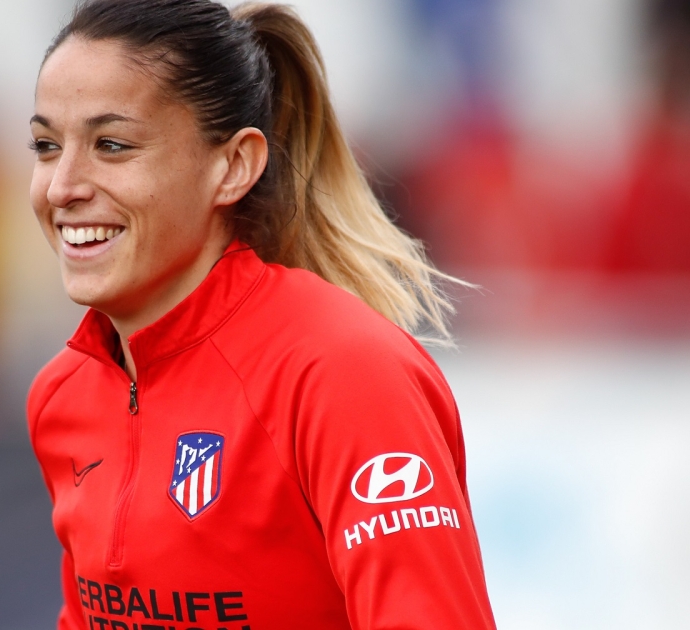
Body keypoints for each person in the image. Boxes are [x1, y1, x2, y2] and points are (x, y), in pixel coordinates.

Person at [25, 1, 497, 628]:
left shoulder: (342, 373)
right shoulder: (61, 397)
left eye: (112, 145)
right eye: (46, 146)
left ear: (234, 166)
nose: (62, 186)